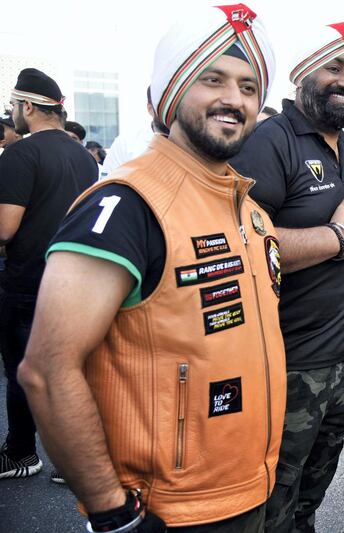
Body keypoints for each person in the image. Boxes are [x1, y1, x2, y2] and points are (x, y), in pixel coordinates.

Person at [18, 5, 286, 532]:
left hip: (251, 490)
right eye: (213, 79)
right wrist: (113, 514)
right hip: (169, 513)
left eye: (249, 86)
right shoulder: (127, 205)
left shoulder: (250, 210)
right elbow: (47, 371)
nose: (234, 99)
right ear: (169, 92)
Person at [230, 22, 344, 533]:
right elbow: (246, 245)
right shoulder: (270, 142)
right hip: (288, 362)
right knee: (273, 495)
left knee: (314, 485)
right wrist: (336, 238)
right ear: (302, 75)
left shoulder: (343, 146)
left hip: (337, 359)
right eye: (334, 67)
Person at [0, 68, 97, 481]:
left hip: (27, 283)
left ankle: (22, 453)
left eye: (12, 107)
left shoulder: (20, 154)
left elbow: (4, 229)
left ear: (26, 107)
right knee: (70, 372)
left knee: (24, 373)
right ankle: (70, 464)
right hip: (75, 282)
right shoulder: (83, 156)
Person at [101, 87, 170, 177]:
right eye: (164, 106)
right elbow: (108, 185)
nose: (171, 111)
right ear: (150, 109)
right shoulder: (126, 144)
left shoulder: (191, 141)